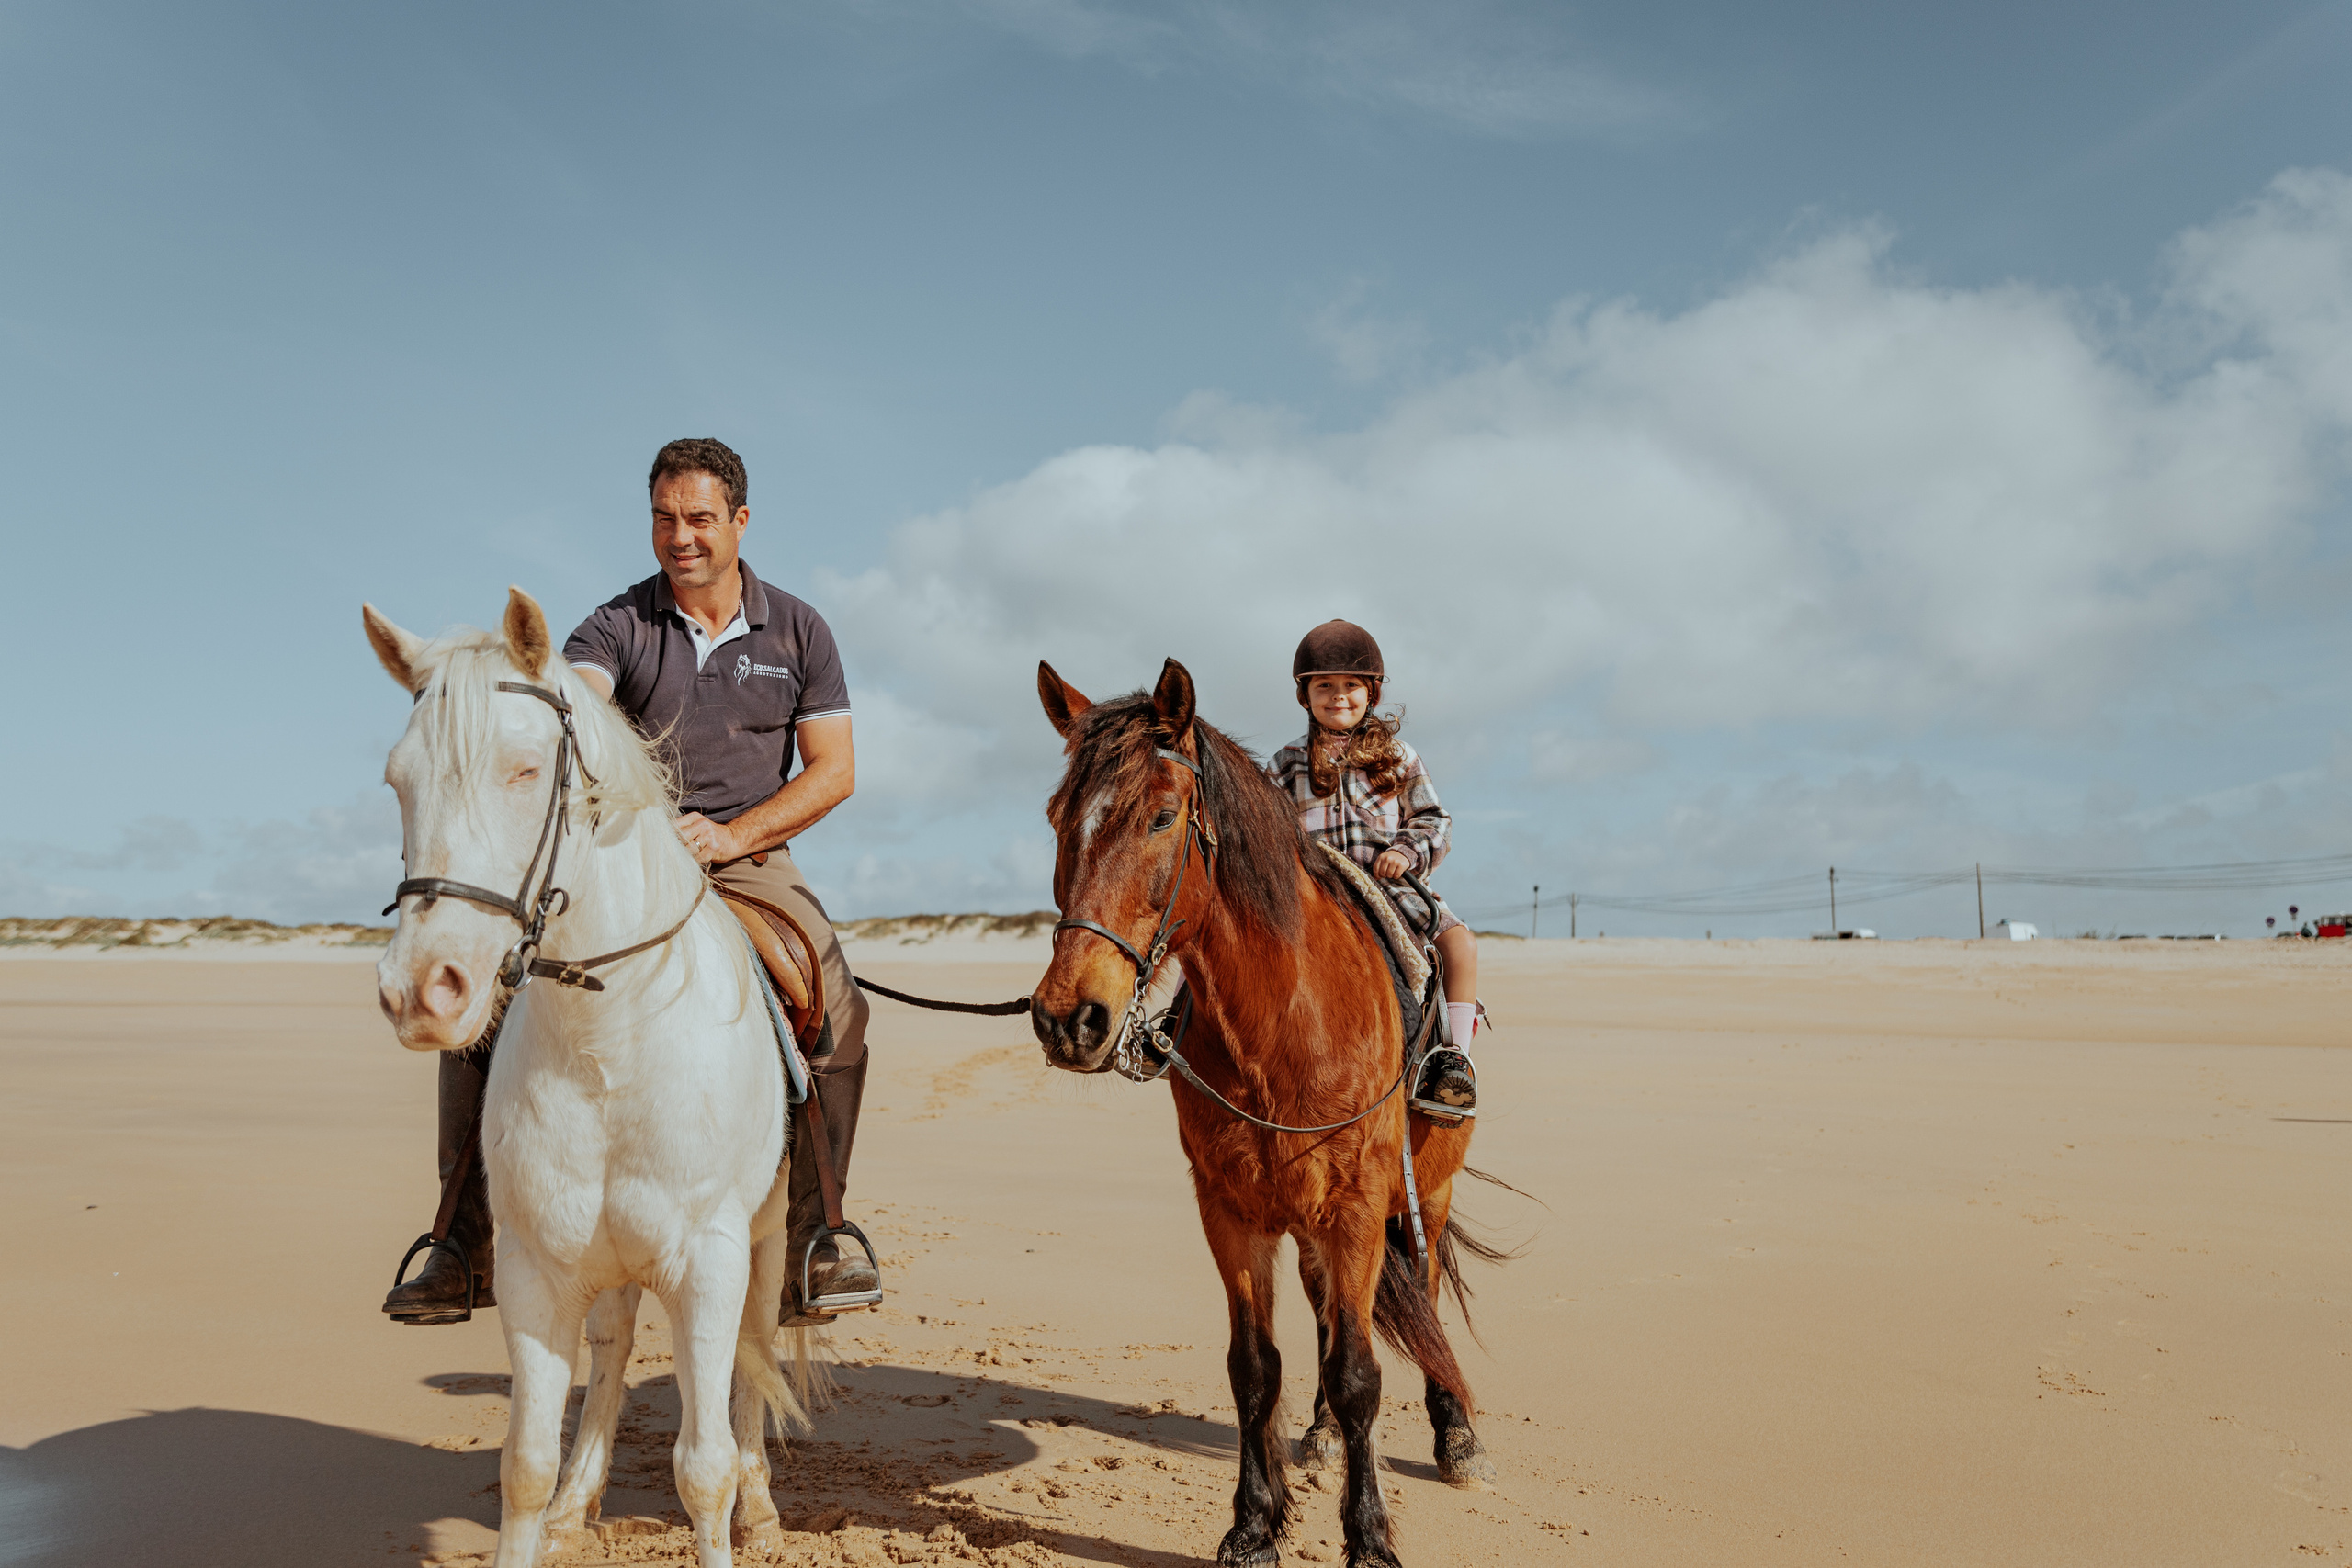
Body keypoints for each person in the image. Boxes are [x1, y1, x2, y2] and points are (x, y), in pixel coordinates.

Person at [381, 436, 877, 1326]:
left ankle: (818, 1235)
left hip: (750, 858)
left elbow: (831, 771)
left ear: (739, 521)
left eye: (698, 518)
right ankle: (459, 1244)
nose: (680, 537)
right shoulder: (616, 626)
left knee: (835, 1004)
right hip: (625, 858)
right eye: (663, 518)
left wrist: (731, 837)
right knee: (488, 1009)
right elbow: (574, 704)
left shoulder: (799, 630)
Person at [1268, 619, 1479, 1113]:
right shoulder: (1285, 764)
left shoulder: (1400, 758)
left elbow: (1435, 820)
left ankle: (1453, 1064)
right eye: (1324, 686)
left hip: (1390, 890)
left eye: (1350, 686)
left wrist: (1405, 851)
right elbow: (1261, 827)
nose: (1337, 696)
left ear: (1372, 694)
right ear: (1305, 695)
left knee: (1460, 946)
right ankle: (1176, 1025)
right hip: (1313, 889)